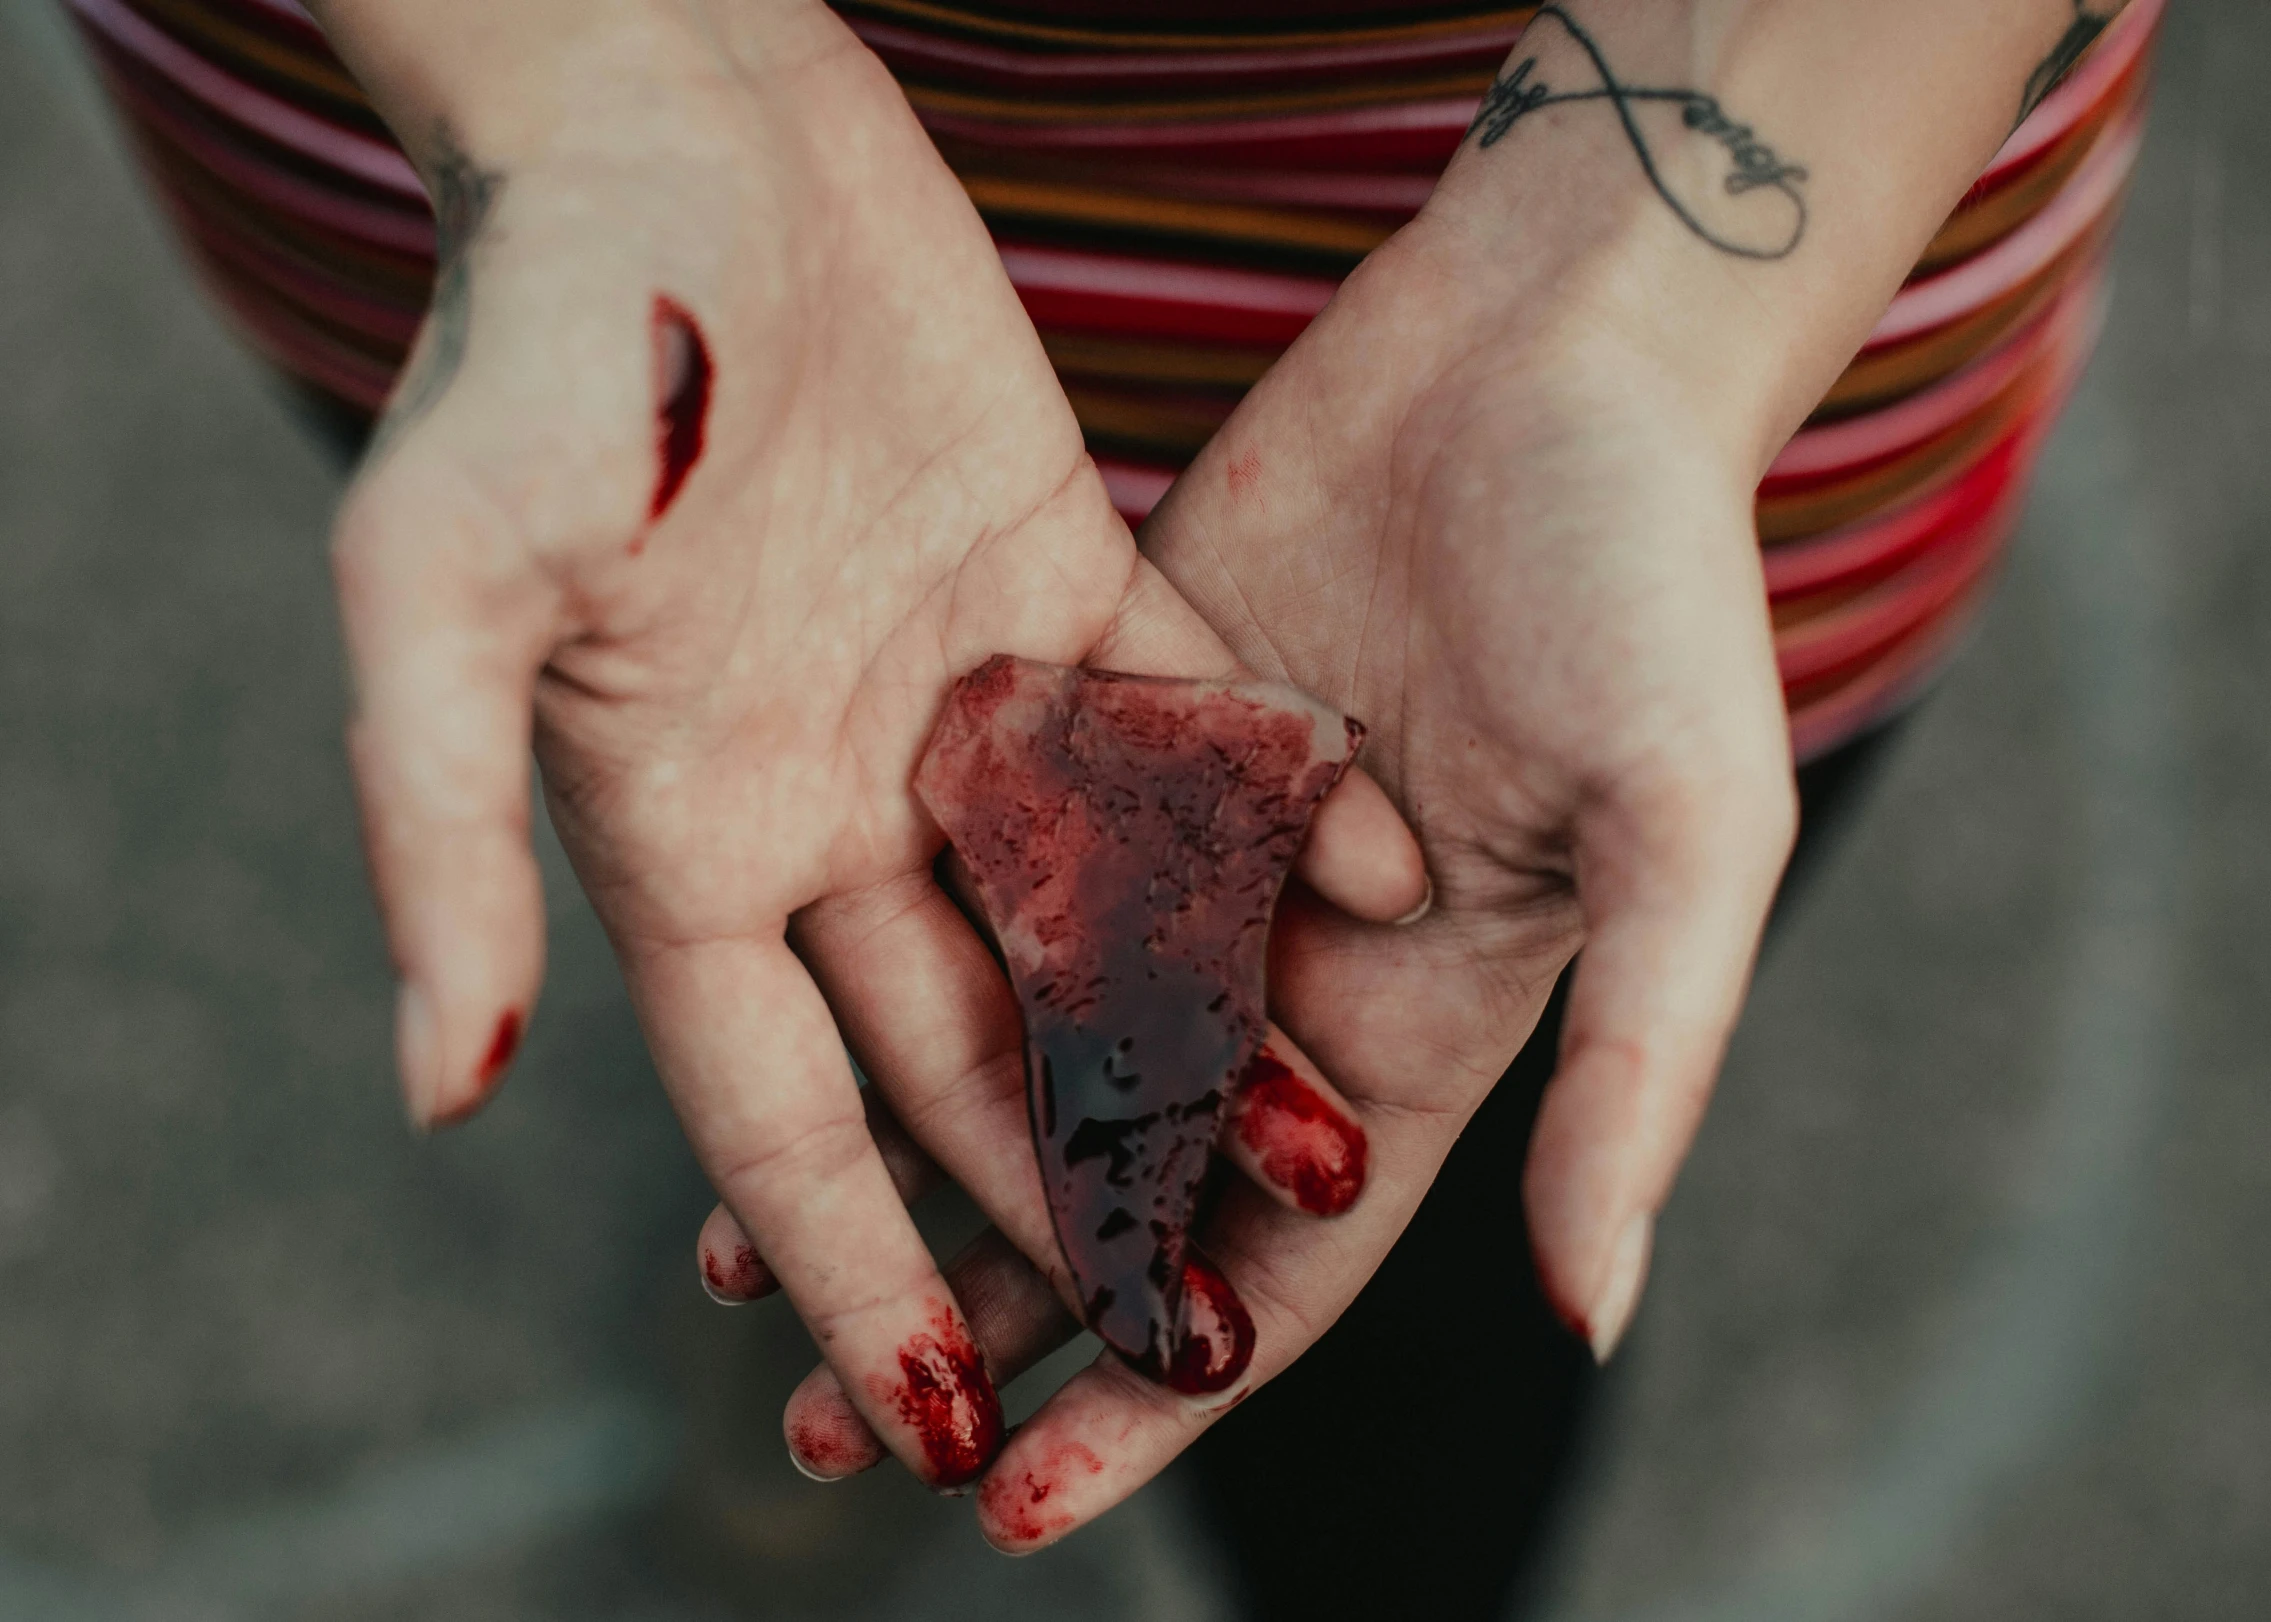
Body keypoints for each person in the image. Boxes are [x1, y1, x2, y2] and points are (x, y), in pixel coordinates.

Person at [99, 0, 2140, 1610]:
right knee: (785, 871)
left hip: (1685, 253)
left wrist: (1672, 242)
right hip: (565, 183)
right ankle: (920, 1203)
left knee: (1405, 1111)